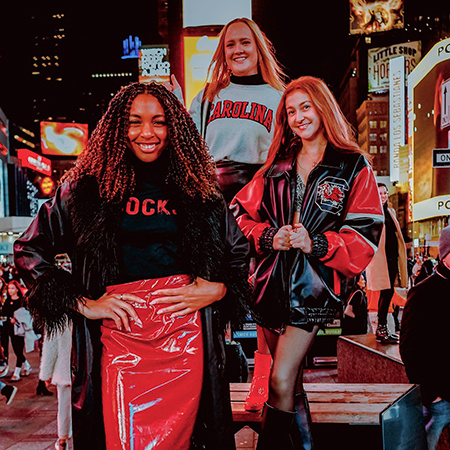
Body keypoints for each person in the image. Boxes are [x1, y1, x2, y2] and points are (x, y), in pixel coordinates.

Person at [14, 81, 250, 450]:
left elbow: (237, 251)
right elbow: (29, 249)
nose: (147, 133)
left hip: (185, 340)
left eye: (159, 122)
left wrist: (219, 288)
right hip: (118, 340)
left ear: (175, 128)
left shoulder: (197, 187)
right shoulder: (84, 189)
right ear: (117, 129)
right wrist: (84, 304)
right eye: (134, 122)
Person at [230, 75, 383, 449]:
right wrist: (269, 236)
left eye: (305, 107)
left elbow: (365, 233)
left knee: (279, 379)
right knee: (291, 385)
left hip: (314, 291)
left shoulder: (352, 165)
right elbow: (236, 216)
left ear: (322, 107)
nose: (299, 117)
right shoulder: (277, 167)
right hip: (267, 287)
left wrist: (316, 243)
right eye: (291, 111)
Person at [188, 17, 287, 412]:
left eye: (245, 42)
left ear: (258, 46)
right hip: (212, 194)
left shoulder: (280, 96)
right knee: (212, 288)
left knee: (263, 294)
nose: (237, 50)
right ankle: (207, 381)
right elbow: (189, 151)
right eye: (230, 45)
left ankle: (262, 384)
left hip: (259, 194)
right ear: (222, 52)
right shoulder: (207, 96)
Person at [400, 225, 450, 450]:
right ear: (445, 253)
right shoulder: (424, 292)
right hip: (439, 399)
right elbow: (409, 348)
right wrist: (431, 394)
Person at [365, 183, 408, 344]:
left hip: (392, 258)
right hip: (380, 259)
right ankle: (381, 328)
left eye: (384, 193)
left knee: (389, 292)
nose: (382, 196)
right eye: (379, 193)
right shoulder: (372, 213)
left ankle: (382, 328)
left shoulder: (390, 211)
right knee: (385, 291)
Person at [0, 280, 32, 381]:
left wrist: (17, 319)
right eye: (9, 288)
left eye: (12, 288)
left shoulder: (22, 301)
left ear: (17, 289)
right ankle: (26, 365)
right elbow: (4, 313)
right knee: (15, 349)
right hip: (9, 329)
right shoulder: (8, 301)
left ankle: (17, 372)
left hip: (19, 329)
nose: (10, 290)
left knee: (18, 349)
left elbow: (26, 314)